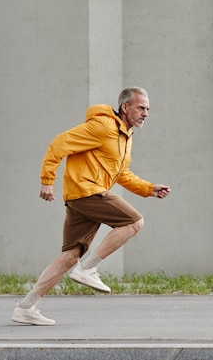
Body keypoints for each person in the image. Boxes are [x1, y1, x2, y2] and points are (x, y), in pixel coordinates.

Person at [12, 86, 171, 326]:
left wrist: (148, 188)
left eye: (148, 109)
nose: (145, 113)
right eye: (141, 107)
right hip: (87, 191)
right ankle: (88, 269)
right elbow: (59, 143)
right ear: (125, 107)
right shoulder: (103, 126)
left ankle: (26, 307)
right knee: (134, 221)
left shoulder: (125, 137)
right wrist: (47, 181)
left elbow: (120, 173)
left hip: (84, 196)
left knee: (69, 256)